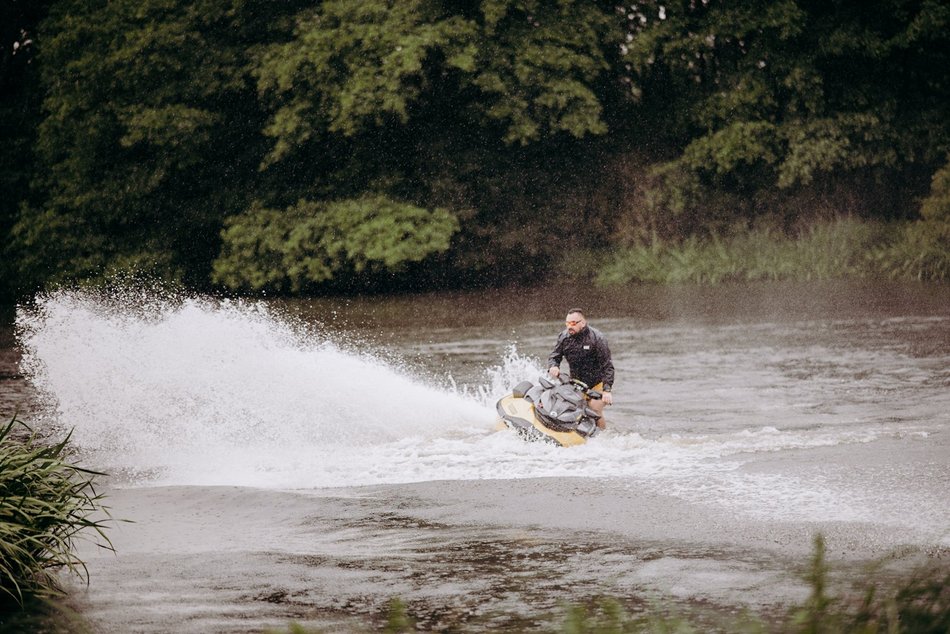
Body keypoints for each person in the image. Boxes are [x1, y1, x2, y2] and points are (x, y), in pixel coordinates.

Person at [547, 308, 614, 429]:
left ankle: (603, 436)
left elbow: (608, 366)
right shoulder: (564, 337)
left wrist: (607, 390)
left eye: (573, 323)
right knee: (568, 406)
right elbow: (554, 356)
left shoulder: (597, 338)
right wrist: (554, 366)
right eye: (567, 323)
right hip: (576, 384)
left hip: (597, 384)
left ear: (582, 323)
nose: (569, 327)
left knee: (593, 408)